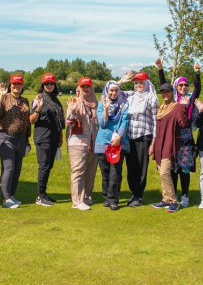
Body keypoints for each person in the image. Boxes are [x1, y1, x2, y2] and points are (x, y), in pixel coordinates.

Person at [155, 57, 201, 208]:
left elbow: (198, 89)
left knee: (184, 169)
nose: (183, 87)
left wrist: (197, 74)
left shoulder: (189, 99)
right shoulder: (172, 101)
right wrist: (160, 69)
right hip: (172, 137)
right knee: (171, 169)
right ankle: (170, 196)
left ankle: (185, 196)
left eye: (185, 85)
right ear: (176, 87)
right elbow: (164, 86)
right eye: (180, 84)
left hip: (185, 138)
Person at [117, 71, 158, 207]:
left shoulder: (151, 98)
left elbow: (155, 121)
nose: (139, 85)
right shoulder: (131, 96)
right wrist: (121, 82)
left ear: (146, 83)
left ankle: (138, 195)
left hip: (144, 137)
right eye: (136, 83)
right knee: (131, 167)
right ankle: (133, 193)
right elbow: (112, 92)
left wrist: (153, 142)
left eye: (141, 82)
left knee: (141, 167)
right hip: (130, 137)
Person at [0, 74, 31, 209]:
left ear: (22, 85)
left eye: (19, 84)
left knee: (17, 168)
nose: (16, 86)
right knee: (9, 167)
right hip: (6, 136)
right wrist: (1, 96)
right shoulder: (5, 98)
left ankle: (11, 195)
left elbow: (27, 122)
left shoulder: (24, 100)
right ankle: (5, 198)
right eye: (14, 84)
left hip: (20, 138)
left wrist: (27, 139)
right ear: (10, 85)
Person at [152, 83, 190, 213]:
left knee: (165, 172)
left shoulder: (177, 107)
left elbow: (184, 123)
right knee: (160, 172)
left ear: (172, 93)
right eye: (162, 92)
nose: (165, 95)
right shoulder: (161, 108)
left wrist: (184, 108)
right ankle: (165, 199)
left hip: (169, 143)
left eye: (167, 92)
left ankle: (173, 201)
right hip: (159, 144)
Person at [30, 73, 65, 207]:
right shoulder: (39, 99)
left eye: (51, 83)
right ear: (43, 85)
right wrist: (38, 109)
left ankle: (44, 193)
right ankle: (40, 196)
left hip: (54, 138)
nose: (49, 86)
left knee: (49, 166)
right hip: (43, 137)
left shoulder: (55, 100)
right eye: (46, 84)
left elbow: (59, 121)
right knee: (44, 166)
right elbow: (32, 120)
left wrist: (60, 136)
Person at [94, 81, 129, 210]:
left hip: (118, 143)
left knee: (115, 172)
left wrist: (119, 137)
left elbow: (124, 122)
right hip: (103, 142)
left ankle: (113, 200)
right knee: (105, 172)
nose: (114, 93)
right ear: (107, 91)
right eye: (111, 90)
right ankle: (106, 198)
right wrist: (106, 108)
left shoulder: (124, 104)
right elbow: (102, 124)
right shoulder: (101, 103)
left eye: (116, 90)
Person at [66, 77, 98, 211]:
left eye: (87, 87)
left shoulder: (95, 103)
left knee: (90, 172)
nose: (85, 89)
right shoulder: (74, 102)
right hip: (77, 143)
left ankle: (86, 196)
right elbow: (69, 123)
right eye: (83, 87)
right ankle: (77, 201)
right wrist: (72, 112)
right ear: (78, 88)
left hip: (93, 142)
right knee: (78, 171)